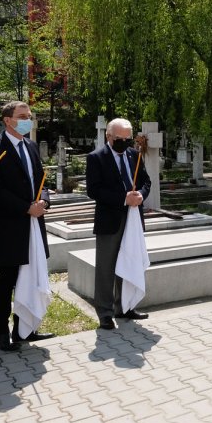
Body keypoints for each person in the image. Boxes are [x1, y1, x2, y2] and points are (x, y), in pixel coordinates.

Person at [0, 101, 54, 352]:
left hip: (34, 223)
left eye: (29, 116)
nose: (27, 120)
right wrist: (25, 207)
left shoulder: (31, 145)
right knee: (7, 280)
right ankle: (1, 333)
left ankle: (25, 329)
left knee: (31, 276)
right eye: (22, 116)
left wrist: (44, 199)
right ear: (7, 120)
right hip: (9, 226)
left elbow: (41, 179)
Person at [86, 118, 152, 329]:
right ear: (108, 137)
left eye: (127, 138)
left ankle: (125, 306)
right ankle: (105, 312)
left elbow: (145, 181)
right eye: (119, 139)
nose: (124, 143)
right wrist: (124, 198)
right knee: (107, 267)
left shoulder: (134, 154)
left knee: (130, 259)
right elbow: (94, 190)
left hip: (133, 217)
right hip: (110, 219)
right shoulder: (96, 158)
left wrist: (140, 195)